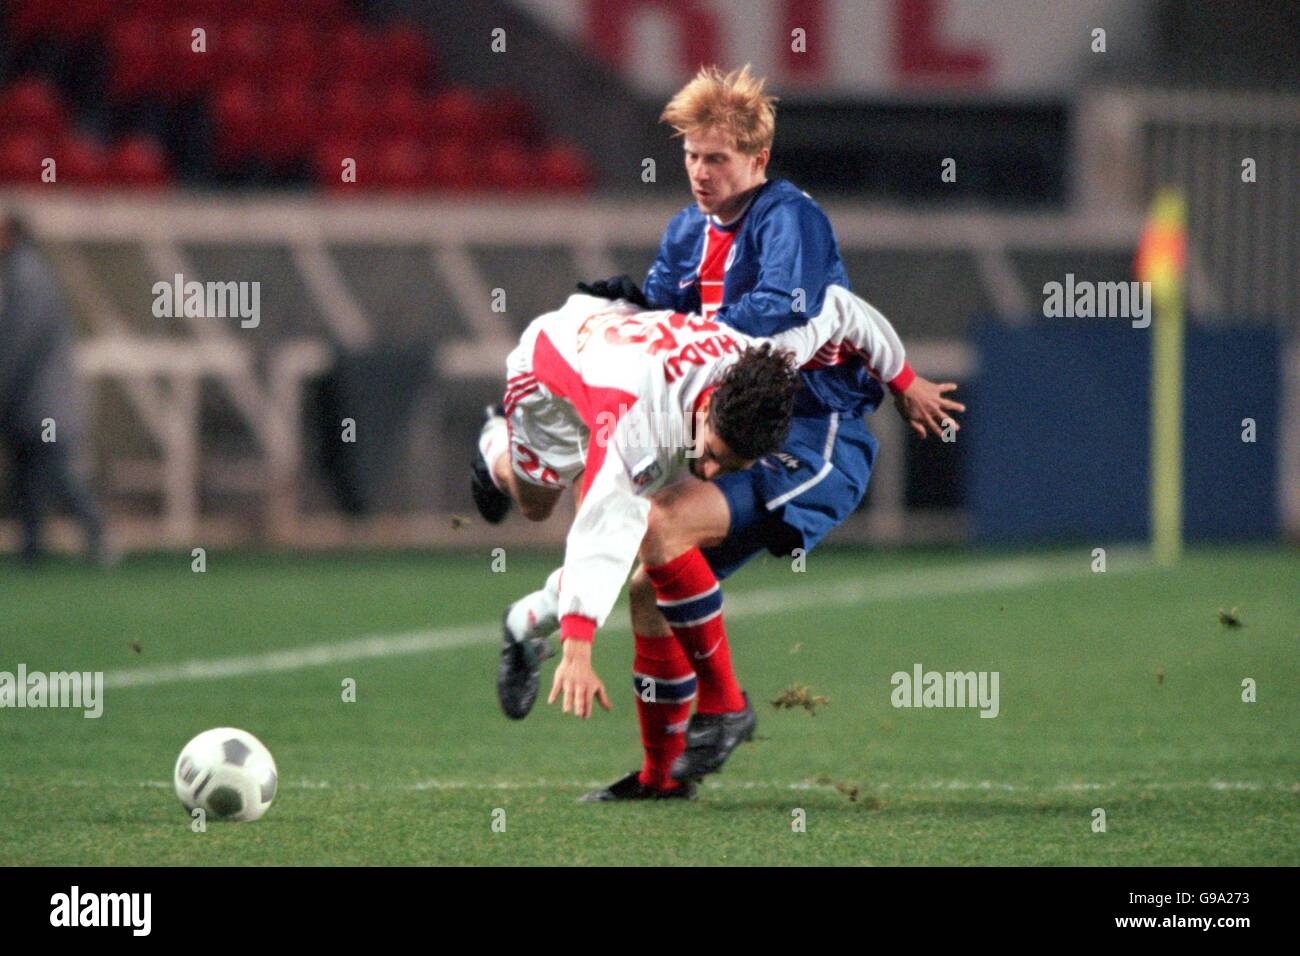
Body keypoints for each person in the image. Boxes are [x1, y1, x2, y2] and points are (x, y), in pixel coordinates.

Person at [489, 65, 963, 801]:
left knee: (657, 520)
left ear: (758, 160)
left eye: (717, 158)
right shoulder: (685, 233)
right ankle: (656, 774)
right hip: (717, 407)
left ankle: (723, 705)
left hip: (812, 436)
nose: (701, 173)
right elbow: (672, 319)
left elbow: (827, 309)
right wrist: (643, 314)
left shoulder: (789, 220)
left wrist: (903, 383)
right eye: (691, 156)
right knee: (645, 569)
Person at [474, 282, 924, 800]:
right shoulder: (631, 422)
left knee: (652, 546)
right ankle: (492, 446)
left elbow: (841, 308)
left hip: (632, 354)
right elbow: (600, 524)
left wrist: (905, 380)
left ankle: (659, 770)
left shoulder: (761, 361)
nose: (709, 472)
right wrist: (577, 646)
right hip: (548, 370)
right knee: (537, 503)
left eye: (728, 466)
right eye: (710, 452)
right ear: (710, 409)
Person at [0, 211, 108, 565]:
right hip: (35, 403)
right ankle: (36, 549)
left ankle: (96, 534)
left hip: (39, 405)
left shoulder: (27, 276)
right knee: (38, 476)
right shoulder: (23, 272)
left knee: (51, 473)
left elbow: (18, 344)